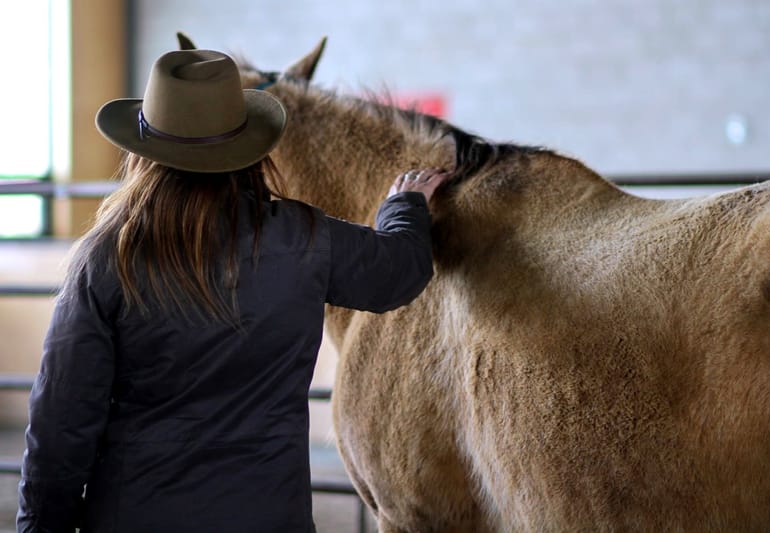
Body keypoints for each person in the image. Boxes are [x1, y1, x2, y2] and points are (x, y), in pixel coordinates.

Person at [17, 49, 449, 532]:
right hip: (268, 516)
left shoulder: (106, 258)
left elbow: (61, 423)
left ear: (143, 151)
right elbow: (399, 272)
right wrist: (405, 206)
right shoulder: (307, 239)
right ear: (247, 150)